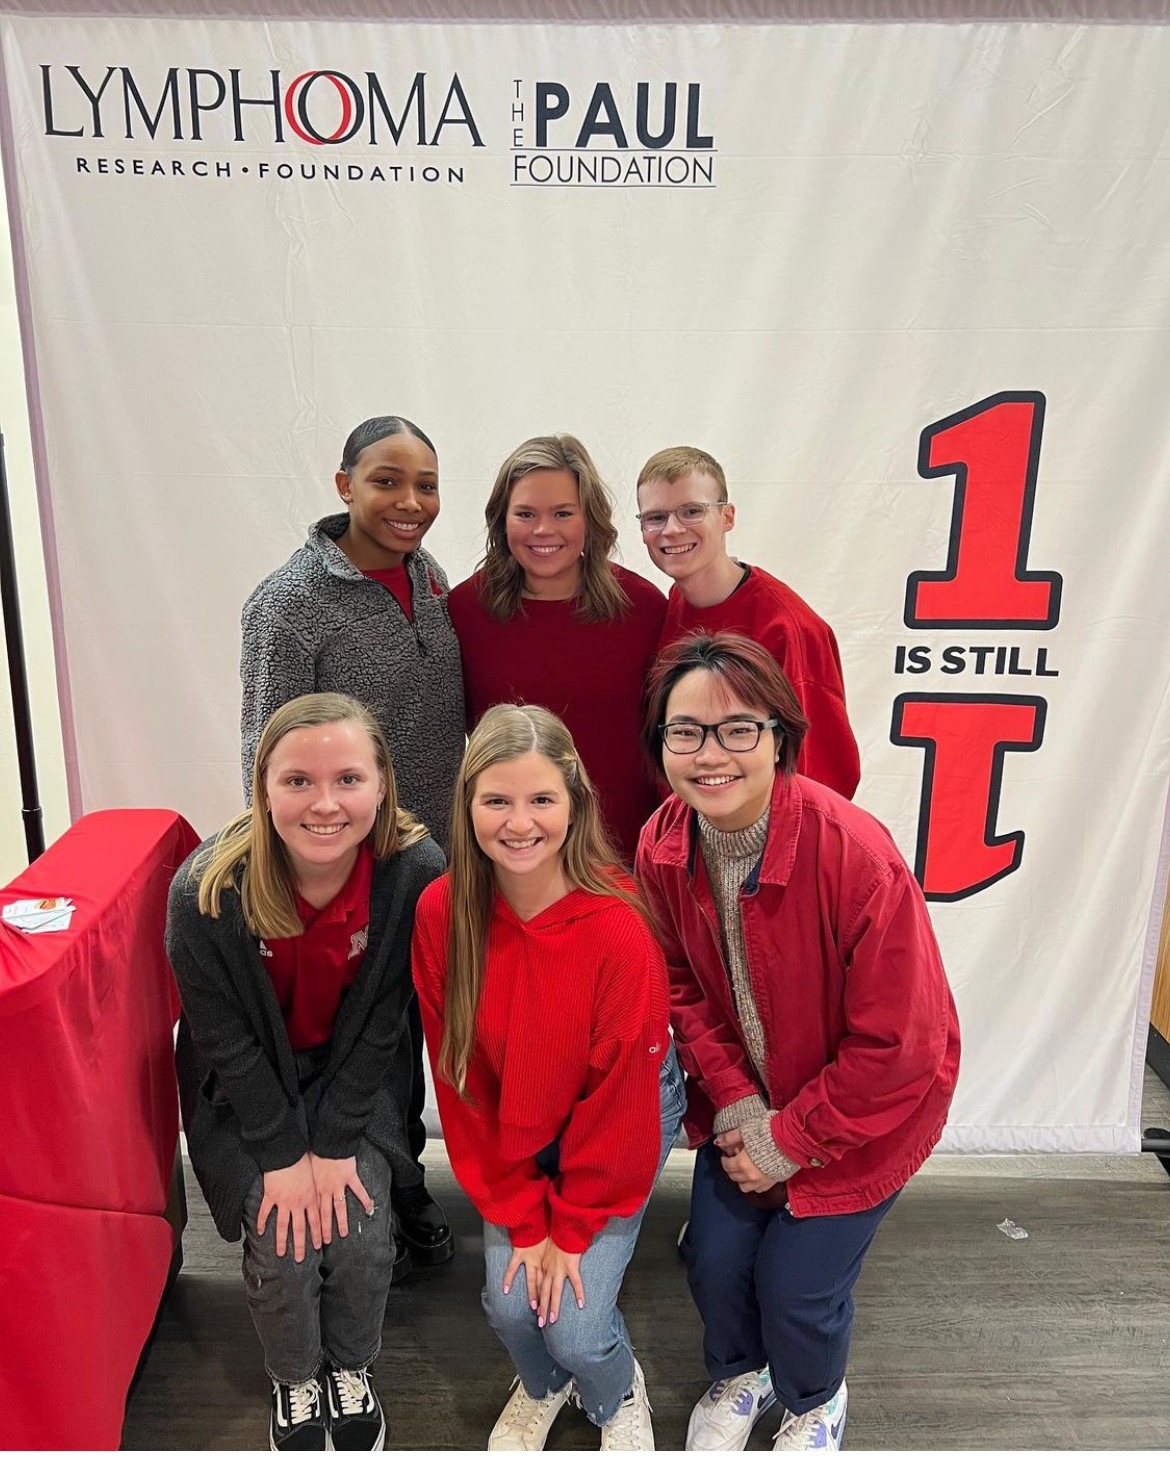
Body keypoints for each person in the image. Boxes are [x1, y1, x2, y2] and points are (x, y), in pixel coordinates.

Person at [635, 634, 960, 1452]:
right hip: (748, 1104)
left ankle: (816, 1400)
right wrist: (742, 1103)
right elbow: (676, 982)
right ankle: (741, 1373)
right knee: (712, 1263)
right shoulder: (662, 843)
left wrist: (791, 1138)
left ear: (780, 736)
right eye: (686, 732)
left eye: (739, 729)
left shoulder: (854, 854)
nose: (711, 755)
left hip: (865, 1112)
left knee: (796, 1291)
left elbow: (903, 1048)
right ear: (661, 744)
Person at [167, 693, 445, 1451]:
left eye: (348, 779)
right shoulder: (205, 893)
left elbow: (386, 1026)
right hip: (248, 1088)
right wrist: (285, 1154)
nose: (325, 804)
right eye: (298, 782)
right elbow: (223, 1042)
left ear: (383, 785)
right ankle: (294, 1378)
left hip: (354, 1082)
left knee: (357, 1225)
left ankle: (351, 1367)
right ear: (261, 787)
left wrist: (331, 1143)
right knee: (284, 1231)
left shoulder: (415, 873)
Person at [412, 703, 685, 1451]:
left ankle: (612, 1390)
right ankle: (541, 1385)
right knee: (508, 1308)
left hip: (616, 1123)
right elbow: (462, 1086)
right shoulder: (443, 912)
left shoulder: (617, 927)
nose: (518, 822)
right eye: (496, 800)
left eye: (541, 799)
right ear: (467, 806)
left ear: (575, 804)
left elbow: (620, 1105)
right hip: (513, 1124)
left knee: (575, 1326)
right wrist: (523, 1217)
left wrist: (567, 1229)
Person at [241, 415, 463, 1268]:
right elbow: (266, 754)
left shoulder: (430, 576)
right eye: (386, 481)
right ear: (343, 486)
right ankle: (368, 1194)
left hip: (432, 862)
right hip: (340, 873)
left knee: (406, 1030)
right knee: (357, 1036)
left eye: (426, 485)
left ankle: (401, 1174)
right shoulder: (290, 604)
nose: (410, 503)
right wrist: (292, 879)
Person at [446, 434, 665, 866]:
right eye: (525, 513)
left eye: (563, 513)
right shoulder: (464, 610)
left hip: (623, 852)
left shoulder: (644, 609)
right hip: (511, 850)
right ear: (501, 520)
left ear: (590, 519)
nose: (543, 530)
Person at [635, 446, 861, 799]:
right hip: (691, 833)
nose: (673, 529)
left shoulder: (788, 628)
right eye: (656, 517)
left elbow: (821, 775)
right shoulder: (676, 602)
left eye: (692, 511)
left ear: (727, 517)